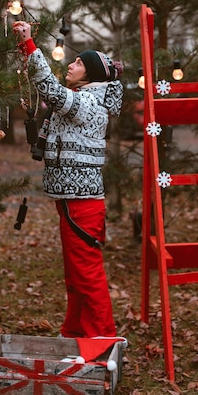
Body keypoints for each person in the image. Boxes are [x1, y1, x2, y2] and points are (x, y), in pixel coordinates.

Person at [13, 21, 124, 339]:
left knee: (87, 273)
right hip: (72, 199)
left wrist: (29, 45)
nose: (71, 65)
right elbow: (47, 93)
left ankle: (102, 338)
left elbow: (48, 87)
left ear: (90, 75)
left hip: (83, 203)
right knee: (75, 274)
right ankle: (75, 330)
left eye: (78, 63)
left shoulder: (88, 104)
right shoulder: (81, 99)